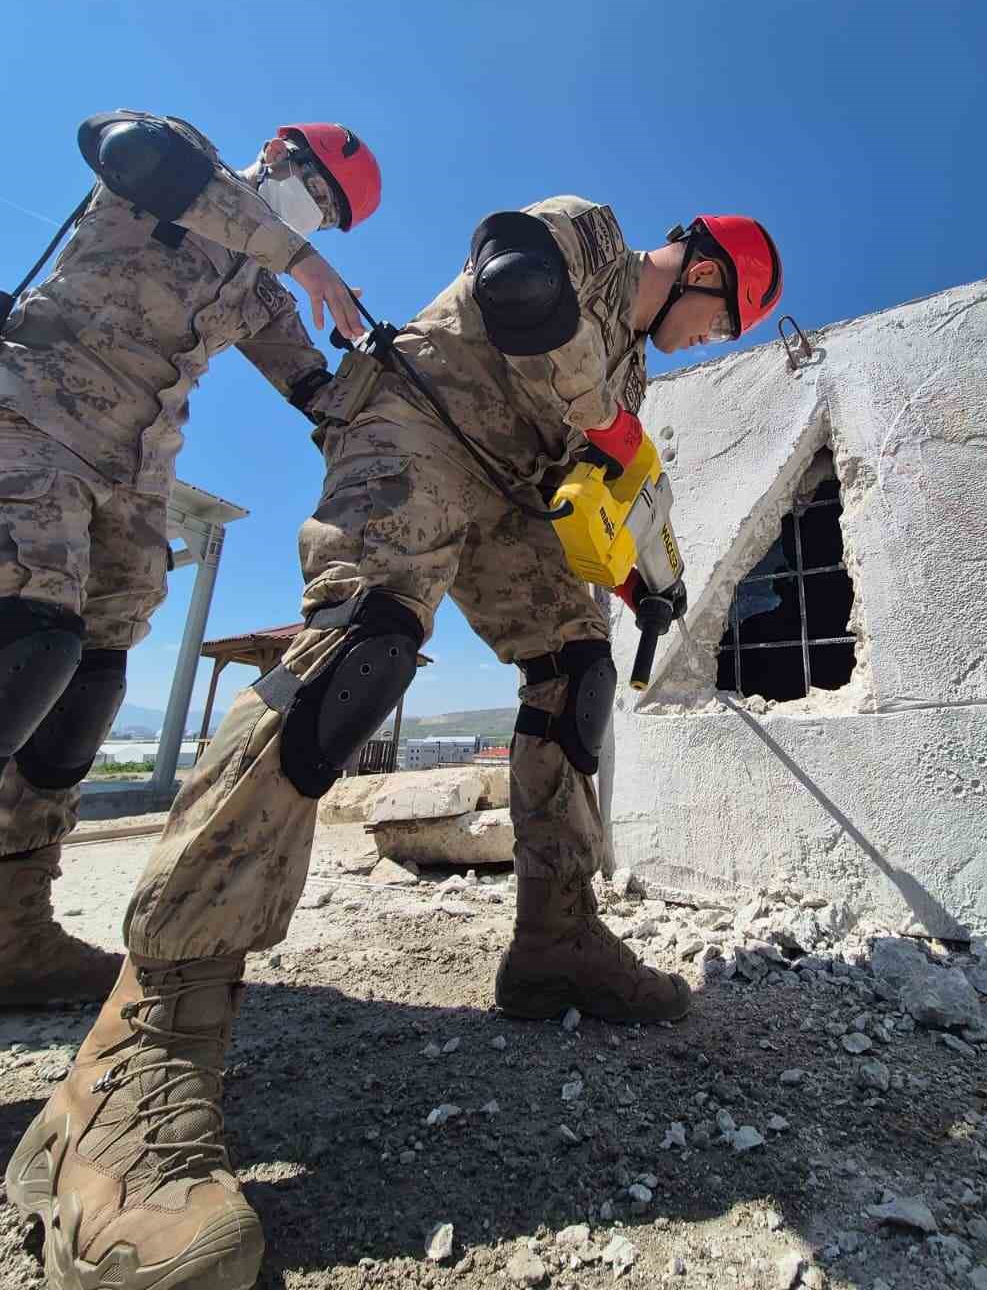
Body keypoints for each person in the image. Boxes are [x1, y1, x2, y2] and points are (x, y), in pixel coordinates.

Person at [6, 196, 781, 1290]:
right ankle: (140, 1053)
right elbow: (515, 284)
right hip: (415, 424)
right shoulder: (590, 235)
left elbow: (601, 480)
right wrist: (607, 421)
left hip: (513, 491)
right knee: (361, 650)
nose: (711, 340)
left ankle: (557, 938)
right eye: (723, 320)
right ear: (704, 270)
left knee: (577, 671)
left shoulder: (632, 375)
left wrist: (645, 573)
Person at [0, 112, 380, 1006]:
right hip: (35, 421)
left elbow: (316, 389)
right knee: (27, 641)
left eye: (325, 218)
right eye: (314, 196)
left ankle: (12, 928)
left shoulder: (259, 289)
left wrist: (395, 380)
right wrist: (300, 255)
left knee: (91, 679)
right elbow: (121, 145)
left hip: (135, 476)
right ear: (278, 156)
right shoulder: (177, 166)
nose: (311, 220)